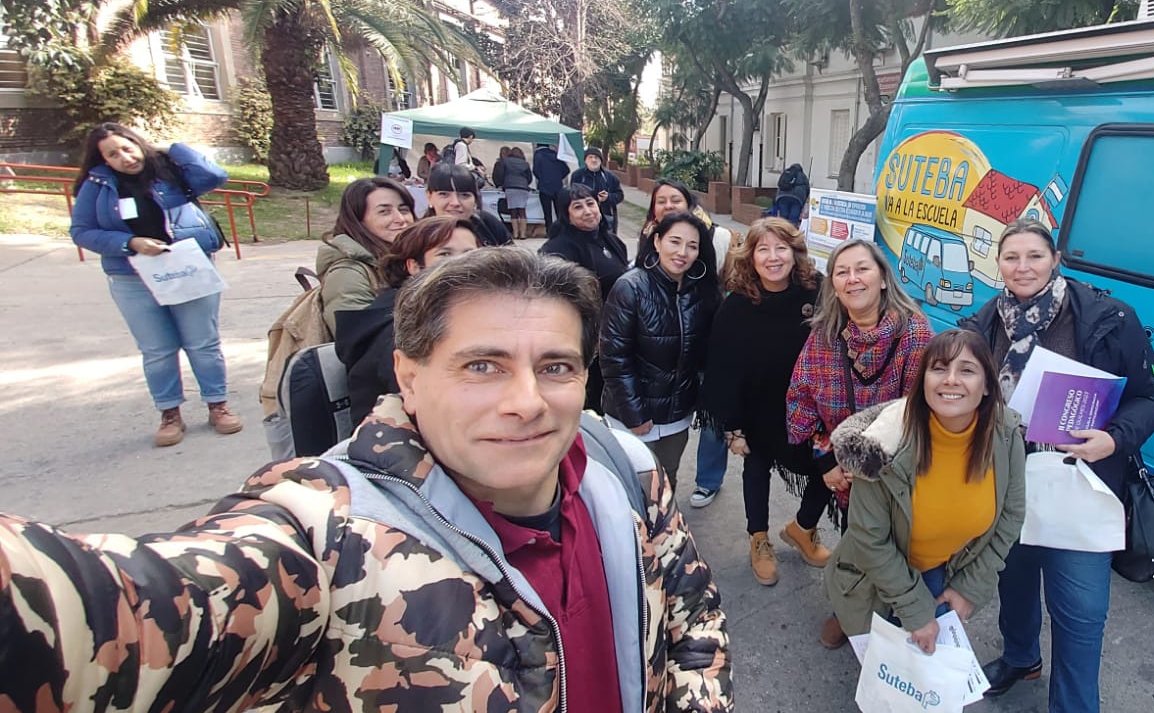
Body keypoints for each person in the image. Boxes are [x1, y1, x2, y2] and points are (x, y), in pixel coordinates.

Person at [0, 247, 733, 711]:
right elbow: (127, 610)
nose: (527, 401)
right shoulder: (331, 531)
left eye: (556, 367)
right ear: (408, 378)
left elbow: (693, 614)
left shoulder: (621, 467)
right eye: (483, 366)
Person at [960, 217, 1154, 713]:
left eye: (1034, 256)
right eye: (1011, 257)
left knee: (1080, 611)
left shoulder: (1109, 319)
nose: (1023, 267)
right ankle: (1021, 658)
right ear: (998, 264)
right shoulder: (985, 323)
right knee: (1013, 583)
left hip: (1081, 487)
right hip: (1008, 487)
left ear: (1055, 259)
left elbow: (1152, 397)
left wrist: (1114, 439)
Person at [823, 328, 1026, 652]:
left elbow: (1010, 517)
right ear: (923, 381)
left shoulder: (1004, 434)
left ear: (988, 385)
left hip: (945, 567)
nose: (951, 380)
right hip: (878, 564)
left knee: (918, 661)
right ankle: (848, 615)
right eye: (939, 368)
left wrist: (971, 586)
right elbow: (870, 539)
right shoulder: (885, 443)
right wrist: (915, 609)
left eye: (967, 370)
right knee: (870, 632)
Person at [787, 238, 932, 647]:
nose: (853, 279)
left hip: (898, 470)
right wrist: (827, 461)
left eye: (862, 268)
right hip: (842, 466)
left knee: (898, 550)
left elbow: (920, 412)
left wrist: (872, 464)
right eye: (842, 272)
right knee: (855, 546)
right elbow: (801, 398)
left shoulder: (916, 334)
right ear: (833, 286)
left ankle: (898, 618)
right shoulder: (824, 335)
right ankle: (848, 611)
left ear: (883, 278)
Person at [67, 122, 241, 446]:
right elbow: (81, 231)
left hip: (186, 266)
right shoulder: (97, 185)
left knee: (203, 343)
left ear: (139, 143)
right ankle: (170, 414)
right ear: (103, 159)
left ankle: (218, 405)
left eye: (128, 147)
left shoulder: (169, 170)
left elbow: (215, 176)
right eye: (112, 154)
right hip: (131, 276)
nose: (124, 157)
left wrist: (173, 147)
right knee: (157, 350)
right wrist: (129, 243)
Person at [699, 218, 828, 586]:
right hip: (756, 408)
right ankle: (758, 538)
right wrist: (733, 428)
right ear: (751, 256)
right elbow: (723, 368)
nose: (773, 257)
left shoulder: (816, 290)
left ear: (794, 252)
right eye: (763, 249)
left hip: (808, 407)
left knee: (827, 468)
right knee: (756, 468)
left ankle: (803, 528)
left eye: (781, 248)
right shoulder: (737, 304)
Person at [601, 210, 721, 490]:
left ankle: (665, 520)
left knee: (667, 478)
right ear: (657, 241)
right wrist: (635, 414)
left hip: (677, 414)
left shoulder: (702, 291)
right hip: (633, 413)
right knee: (634, 483)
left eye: (692, 246)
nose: (682, 253)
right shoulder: (630, 287)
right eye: (674, 242)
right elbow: (614, 357)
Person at [640, 180, 738, 508]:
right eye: (661, 200)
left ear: (689, 205)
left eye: (675, 199)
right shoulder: (648, 240)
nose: (668, 205)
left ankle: (708, 481)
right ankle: (655, 495)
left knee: (711, 420)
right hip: (665, 355)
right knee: (667, 431)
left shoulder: (716, 238)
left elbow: (728, 284)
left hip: (706, 347)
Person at [334, 216, 479, 423]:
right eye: (445, 254)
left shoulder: (447, 312)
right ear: (414, 267)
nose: (463, 264)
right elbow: (430, 411)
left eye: (470, 254)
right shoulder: (398, 327)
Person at [542, 183, 630, 411]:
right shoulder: (557, 251)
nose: (588, 211)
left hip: (616, 335)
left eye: (590, 203)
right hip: (586, 341)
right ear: (566, 214)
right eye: (578, 207)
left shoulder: (611, 240)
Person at [317, 177, 416, 336]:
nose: (400, 219)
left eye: (404, 210)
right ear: (358, 221)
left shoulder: (409, 259)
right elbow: (356, 339)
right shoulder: (348, 274)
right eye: (384, 212)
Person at [423, 163, 512, 246]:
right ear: (429, 197)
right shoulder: (419, 236)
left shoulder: (487, 224)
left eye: (464, 195)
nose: (455, 203)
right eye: (444, 194)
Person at [571, 145, 625, 226]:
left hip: (606, 217)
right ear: (585, 160)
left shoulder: (610, 177)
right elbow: (572, 195)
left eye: (596, 157)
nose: (593, 160)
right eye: (590, 157)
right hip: (584, 216)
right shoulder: (578, 175)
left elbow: (620, 195)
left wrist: (608, 197)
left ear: (601, 160)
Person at [533, 142, 571, 232]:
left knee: (547, 212)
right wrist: (558, 177)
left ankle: (549, 230)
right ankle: (561, 230)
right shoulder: (557, 155)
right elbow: (566, 170)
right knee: (560, 211)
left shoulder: (538, 155)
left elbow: (536, 170)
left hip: (544, 186)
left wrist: (542, 178)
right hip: (558, 186)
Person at [499, 146, 534, 239]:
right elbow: (529, 177)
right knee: (522, 211)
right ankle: (523, 234)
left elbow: (501, 174)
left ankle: (515, 233)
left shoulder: (505, 161)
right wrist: (525, 183)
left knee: (513, 211)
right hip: (523, 188)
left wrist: (502, 184)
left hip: (510, 187)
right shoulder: (525, 163)